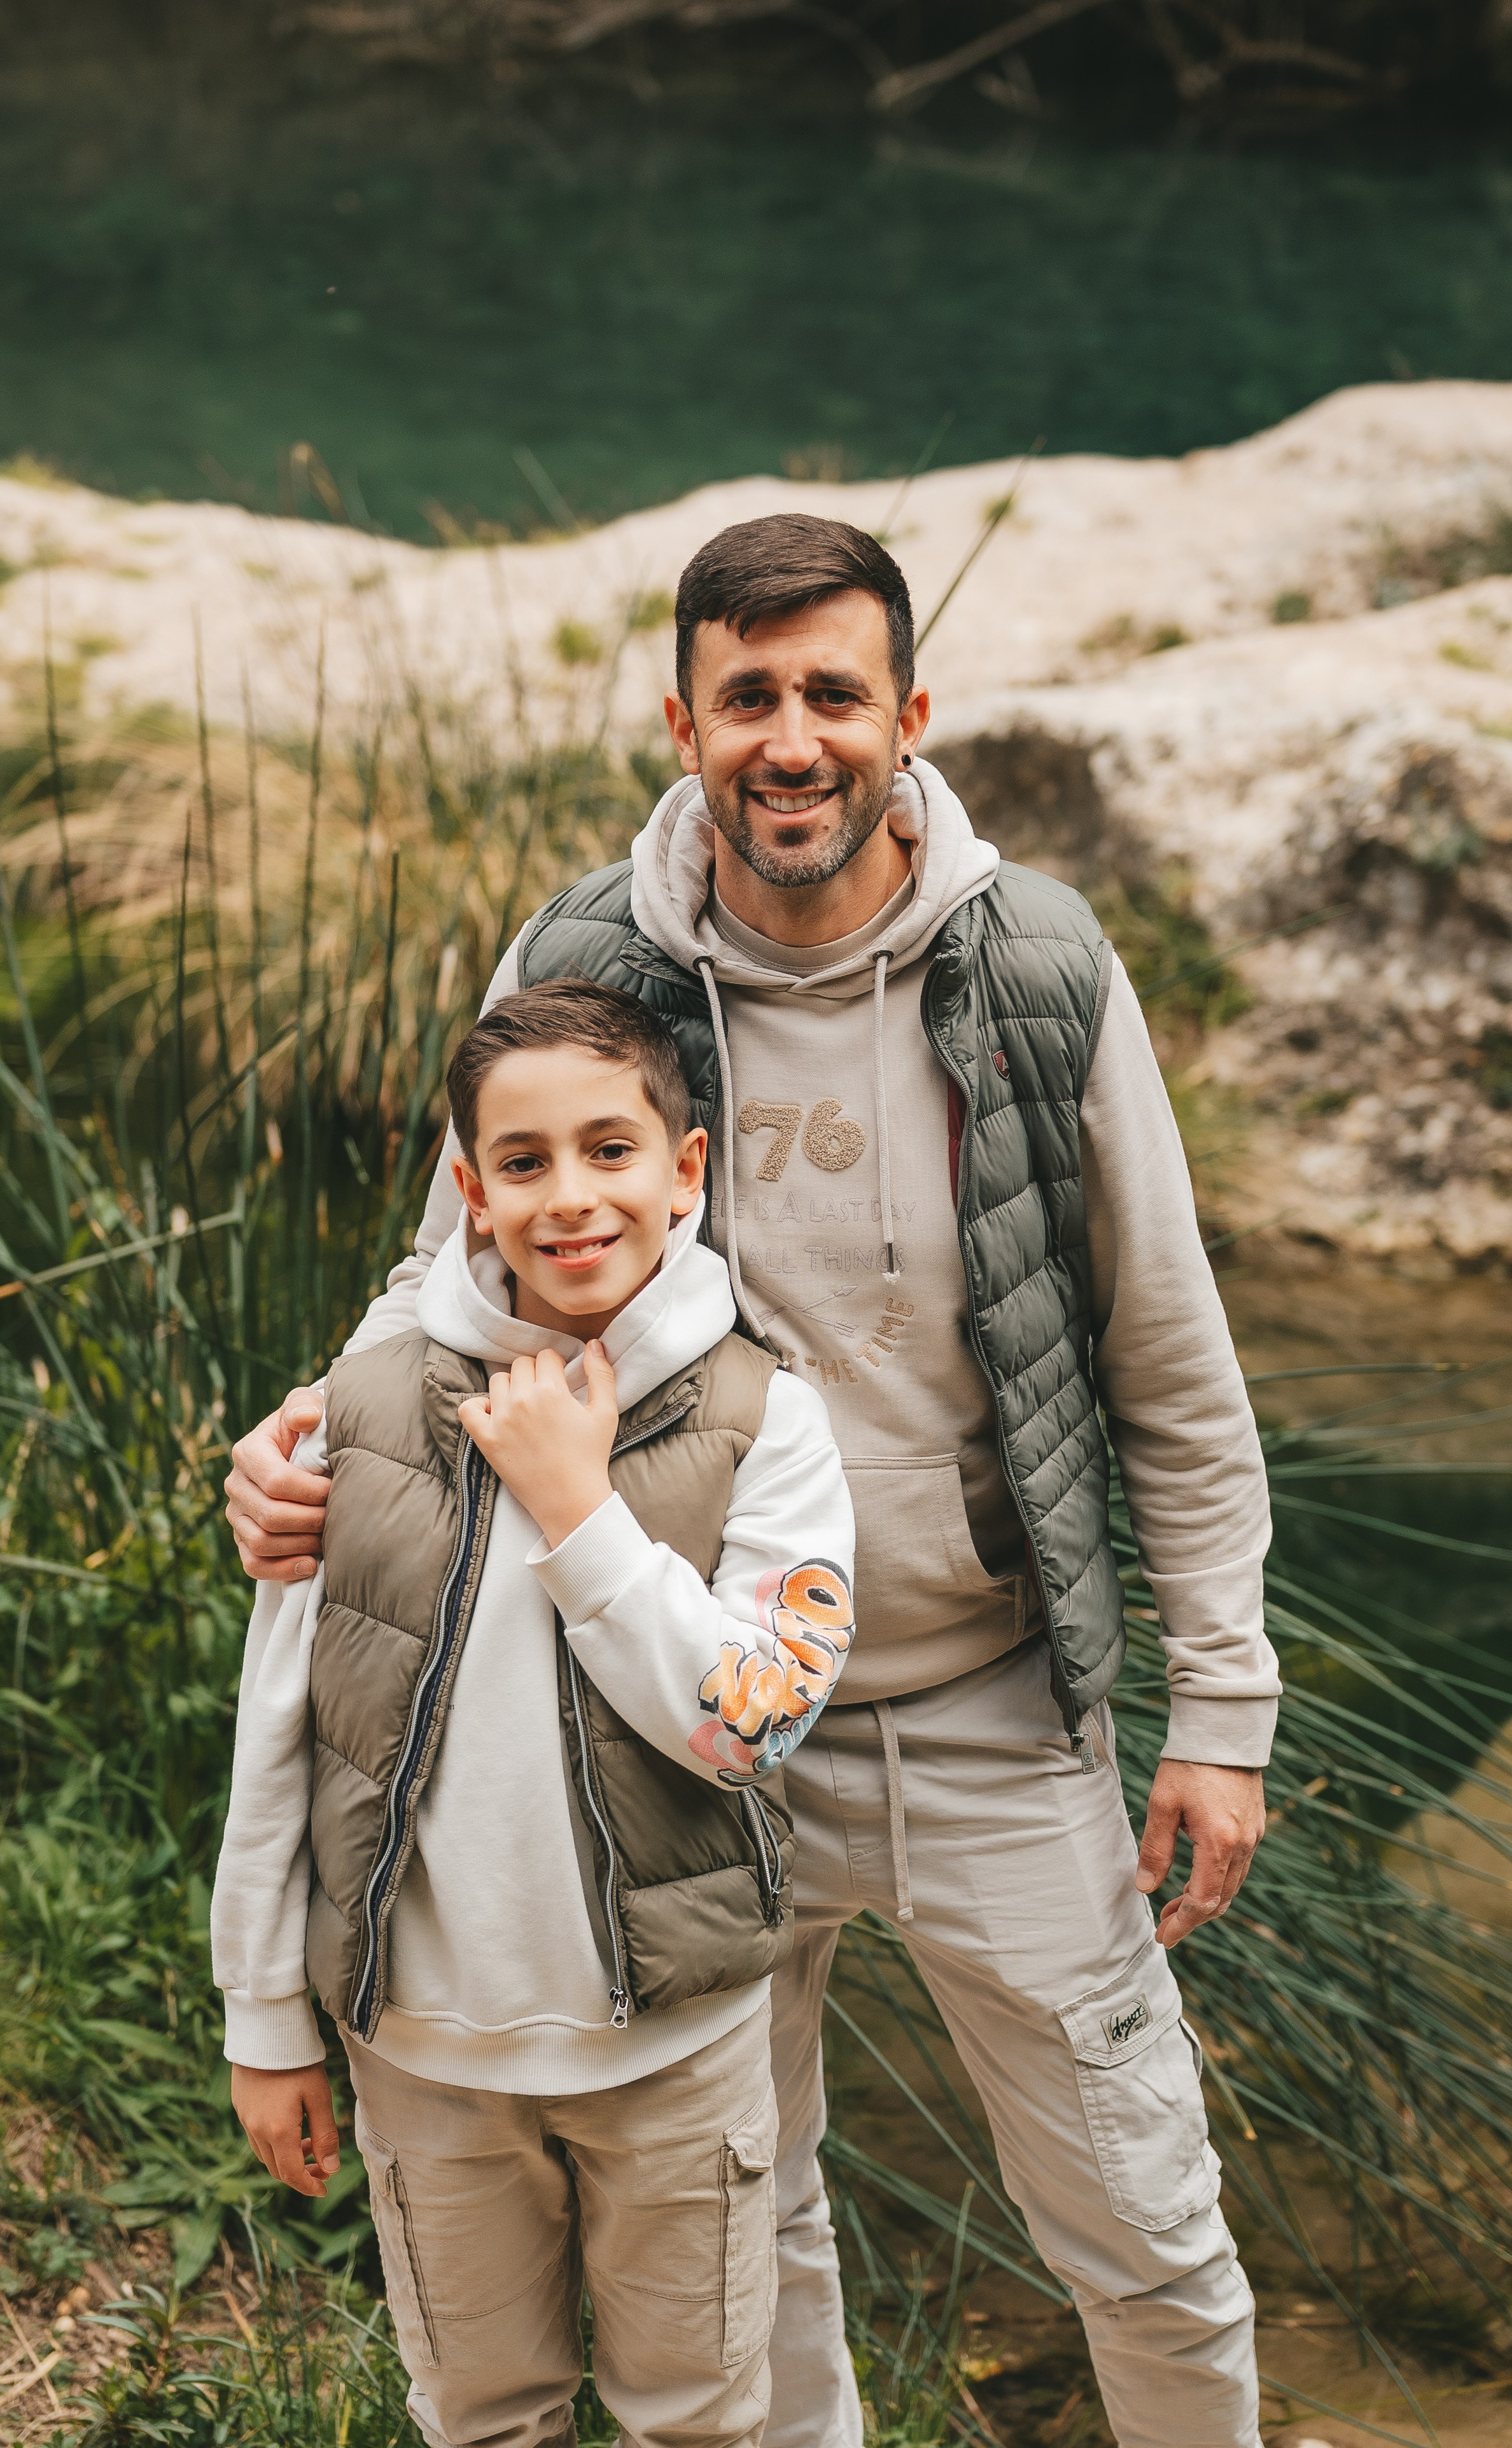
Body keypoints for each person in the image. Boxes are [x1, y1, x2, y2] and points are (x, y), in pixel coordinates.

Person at [225, 514, 1280, 2448]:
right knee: (758, 2229)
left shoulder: (1035, 966)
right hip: (670, 1730)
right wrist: (308, 1440)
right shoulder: (584, 955)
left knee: (1145, 2226)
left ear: (906, 716)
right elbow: (459, 1278)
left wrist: (1222, 1701)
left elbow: (1170, 1361)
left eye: (831, 695)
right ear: (684, 720)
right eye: (748, 699)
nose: (791, 741)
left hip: (990, 1712)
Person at [212, 979, 856, 2448]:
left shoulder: (767, 1423)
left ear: (684, 1169)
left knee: (695, 2415)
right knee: (482, 2412)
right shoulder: (356, 1414)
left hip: (673, 2049)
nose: (570, 1197)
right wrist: (265, 2016)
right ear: (470, 1191)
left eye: (610, 1149)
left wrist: (579, 1511)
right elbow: (278, 1735)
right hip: (422, 2050)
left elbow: (749, 1722)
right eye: (522, 1162)